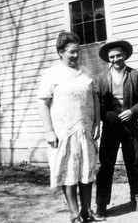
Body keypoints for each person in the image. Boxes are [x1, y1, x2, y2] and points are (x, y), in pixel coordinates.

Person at [36, 31, 104, 223]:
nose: (76, 55)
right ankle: (74, 214)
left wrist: (97, 122)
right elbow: (42, 103)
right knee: (69, 173)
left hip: (86, 130)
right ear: (60, 52)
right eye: (71, 52)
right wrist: (49, 131)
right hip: (63, 132)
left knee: (86, 171)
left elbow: (95, 97)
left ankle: (86, 211)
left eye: (78, 51)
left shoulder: (86, 72)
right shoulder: (52, 74)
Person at [95, 39, 138, 217]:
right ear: (108, 59)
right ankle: (101, 203)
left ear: (125, 55)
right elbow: (97, 103)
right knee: (105, 166)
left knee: (133, 163)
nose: (115, 59)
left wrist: (133, 111)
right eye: (112, 56)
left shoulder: (135, 75)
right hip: (110, 128)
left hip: (130, 126)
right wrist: (105, 114)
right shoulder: (101, 78)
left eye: (119, 55)